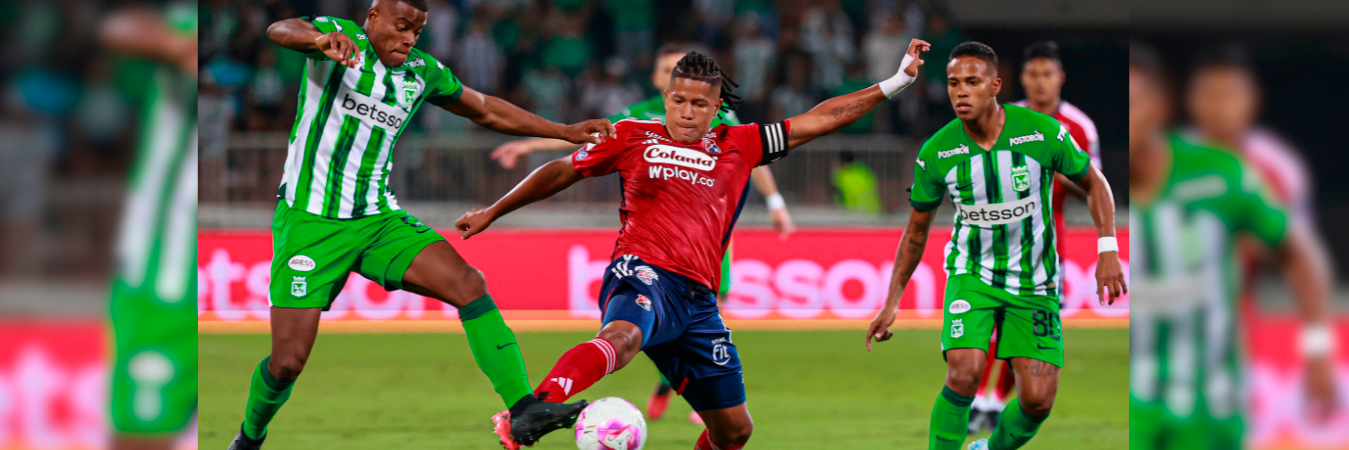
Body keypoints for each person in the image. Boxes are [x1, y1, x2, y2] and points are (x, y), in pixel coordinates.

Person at [456, 39, 933, 450]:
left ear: (717, 105)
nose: (687, 112)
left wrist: (896, 82)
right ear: (666, 97)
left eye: (700, 105)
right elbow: (562, 171)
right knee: (622, 337)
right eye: (679, 101)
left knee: (735, 431)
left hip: (698, 302)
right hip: (642, 271)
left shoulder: (741, 143)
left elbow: (821, 118)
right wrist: (494, 210)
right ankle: (533, 411)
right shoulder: (631, 136)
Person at [227, 1, 616, 448]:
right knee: (287, 363)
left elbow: (485, 109)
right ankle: (249, 438)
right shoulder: (339, 37)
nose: (409, 38)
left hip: (378, 219)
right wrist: (317, 39)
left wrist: (562, 131)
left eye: (417, 30)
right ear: (373, 17)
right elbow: (281, 28)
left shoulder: (422, 72)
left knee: (469, 283)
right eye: (401, 26)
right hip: (311, 223)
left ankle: (523, 409)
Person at [491, 43, 796, 424]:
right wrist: (531, 144)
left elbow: (754, 156)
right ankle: (676, 387)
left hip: (708, 242)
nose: (688, 108)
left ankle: (690, 388)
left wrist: (775, 202)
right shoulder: (636, 119)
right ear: (661, 84)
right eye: (668, 72)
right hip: (652, 250)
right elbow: (588, 137)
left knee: (706, 316)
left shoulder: (719, 116)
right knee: (642, 325)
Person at [866, 42, 1127, 450]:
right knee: (963, 373)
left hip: (1035, 280)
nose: (961, 91)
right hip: (972, 274)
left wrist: (1107, 249)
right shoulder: (938, 151)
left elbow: (1095, 183)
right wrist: (892, 300)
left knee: (1037, 401)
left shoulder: (1041, 132)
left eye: (972, 82)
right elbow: (916, 232)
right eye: (953, 82)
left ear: (995, 86)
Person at [1129, 42, 1337, 450]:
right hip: (1141, 382)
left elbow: (1295, 252)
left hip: (1223, 362)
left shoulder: (1264, 169)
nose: (1218, 108)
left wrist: (1316, 346)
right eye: (1208, 95)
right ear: (1189, 101)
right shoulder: (1119, 171)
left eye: (1229, 95)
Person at [966, 40, 1105, 433]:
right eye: (1033, 74)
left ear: (1060, 77)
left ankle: (995, 402)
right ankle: (980, 400)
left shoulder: (1079, 127)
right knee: (992, 321)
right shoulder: (1004, 117)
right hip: (996, 240)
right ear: (1022, 78)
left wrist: (1058, 169)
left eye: (1048, 73)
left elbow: (1093, 186)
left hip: (1047, 245)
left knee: (1023, 329)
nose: (1040, 81)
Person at [100, 2, 198, 449]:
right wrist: (178, 46)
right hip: (164, 280)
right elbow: (118, 25)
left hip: (195, 277)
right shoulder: (185, 20)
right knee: (144, 438)